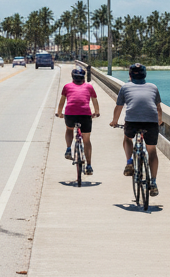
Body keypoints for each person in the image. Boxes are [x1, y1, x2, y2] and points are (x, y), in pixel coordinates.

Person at [109, 63, 164, 197]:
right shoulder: (153, 87)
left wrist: (114, 121)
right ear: (145, 75)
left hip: (132, 121)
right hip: (151, 122)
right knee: (152, 150)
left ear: (130, 75)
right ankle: (154, 182)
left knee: (127, 139)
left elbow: (119, 107)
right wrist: (160, 121)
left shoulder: (125, 87)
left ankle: (129, 163)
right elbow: (158, 108)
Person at [55, 66, 100, 173]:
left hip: (70, 114)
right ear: (83, 77)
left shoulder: (67, 86)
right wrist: (97, 112)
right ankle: (89, 166)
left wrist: (59, 113)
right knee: (87, 140)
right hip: (85, 115)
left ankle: (68, 149)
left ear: (73, 77)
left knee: (69, 129)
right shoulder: (89, 87)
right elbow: (94, 101)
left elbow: (62, 102)